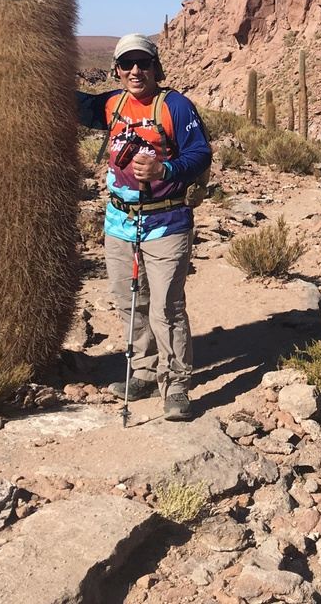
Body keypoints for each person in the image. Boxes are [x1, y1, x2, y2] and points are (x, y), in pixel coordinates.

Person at [77, 34, 212, 421]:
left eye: (143, 63)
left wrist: (163, 169)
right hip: (120, 221)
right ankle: (144, 371)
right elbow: (69, 103)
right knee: (129, 301)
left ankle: (176, 385)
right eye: (127, 64)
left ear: (156, 68)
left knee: (166, 307)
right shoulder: (113, 104)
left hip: (166, 221)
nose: (135, 71)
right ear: (117, 70)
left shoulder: (175, 106)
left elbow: (200, 152)